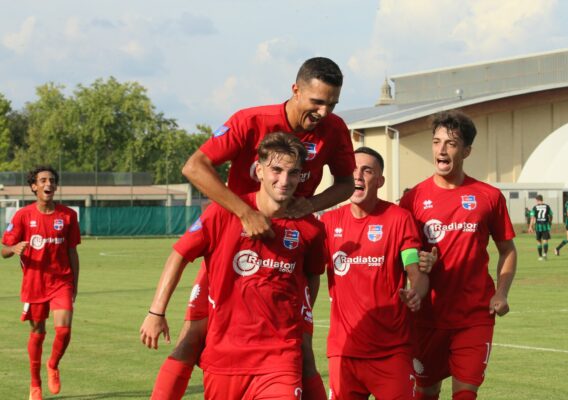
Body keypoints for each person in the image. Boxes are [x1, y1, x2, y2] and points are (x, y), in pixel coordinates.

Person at [145, 57, 355, 399]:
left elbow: (346, 183)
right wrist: (244, 213)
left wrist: (311, 205)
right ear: (295, 90)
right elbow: (194, 166)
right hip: (233, 240)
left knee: (301, 350)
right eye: (316, 102)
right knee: (191, 339)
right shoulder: (251, 120)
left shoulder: (333, 130)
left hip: (291, 243)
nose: (323, 112)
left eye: (331, 104)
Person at [140, 132, 327, 399]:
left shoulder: (311, 229)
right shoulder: (222, 213)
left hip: (279, 359)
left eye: (293, 173)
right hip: (224, 359)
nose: (284, 181)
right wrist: (156, 312)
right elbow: (179, 255)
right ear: (259, 170)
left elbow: (312, 275)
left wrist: (302, 318)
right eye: (276, 170)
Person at [400, 110, 517, 400]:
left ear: (466, 150)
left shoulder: (488, 196)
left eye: (450, 143)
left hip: (474, 315)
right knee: (425, 393)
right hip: (427, 317)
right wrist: (418, 263)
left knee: (465, 394)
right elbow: (402, 253)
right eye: (436, 141)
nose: (441, 149)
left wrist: (501, 293)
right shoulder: (413, 198)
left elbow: (508, 250)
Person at [321, 147, 430, 399]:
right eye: (353, 170)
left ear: (379, 181)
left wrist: (417, 292)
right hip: (343, 350)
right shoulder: (328, 223)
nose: (358, 176)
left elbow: (414, 269)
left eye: (367, 171)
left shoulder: (399, 219)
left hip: (392, 351)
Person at [2, 166, 81, 400]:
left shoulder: (68, 215)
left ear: (55, 186)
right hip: (35, 283)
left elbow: (72, 252)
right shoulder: (22, 216)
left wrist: (74, 284)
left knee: (64, 330)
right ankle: (35, 384)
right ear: (34, 186)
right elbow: (4, 250)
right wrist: (14, 248)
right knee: (38, 331)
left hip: (61, 280)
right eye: (43, 180)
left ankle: (53, 364)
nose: (48, 184)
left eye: (52, 180)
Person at [528, 195, 553, 260]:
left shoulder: (535, 207)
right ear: (542, 199)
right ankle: (545, 254)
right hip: (545, 225)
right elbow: (551, 215)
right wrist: (550, 222)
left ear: (537, 200)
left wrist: (530, 226)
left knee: (539, 241)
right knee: (545, 241)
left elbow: (532, 217)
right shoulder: (547, 206)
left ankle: (540, 256)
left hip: (538, 226)